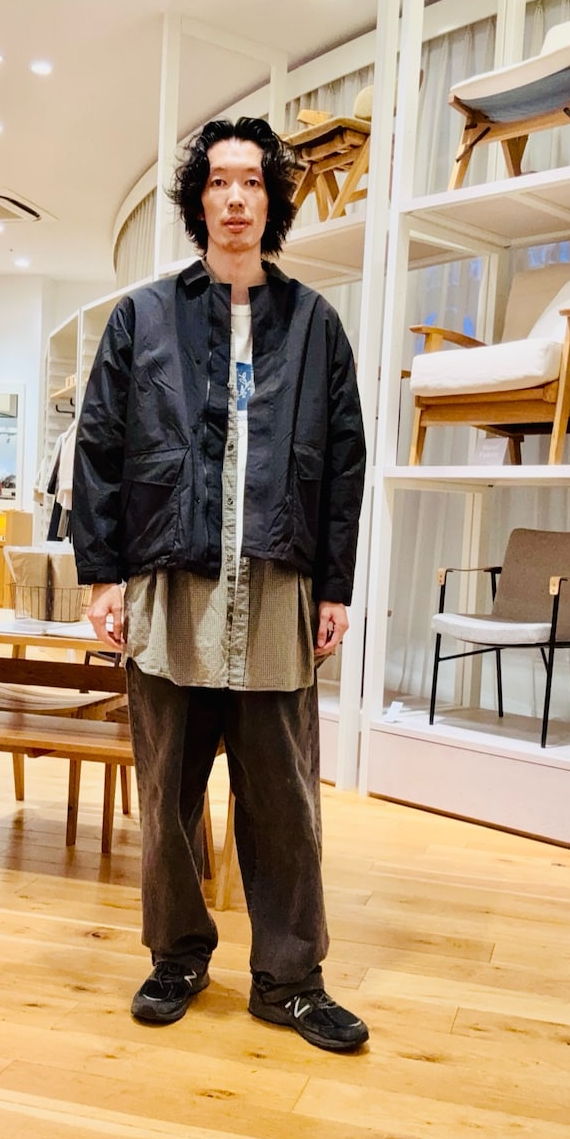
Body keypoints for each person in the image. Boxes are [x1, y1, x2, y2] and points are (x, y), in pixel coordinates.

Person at [72, 116, 368, 1052]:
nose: (236, 197)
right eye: (218, 181)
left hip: (277, 586)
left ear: (272, 202)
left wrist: (334, 586)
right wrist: (101, 573)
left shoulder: (315, 324)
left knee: (284, 801)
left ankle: (290, 979)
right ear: (198, 200)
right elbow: (99, 448)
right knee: (166, 794)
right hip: (171, 586)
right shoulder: (143, 317)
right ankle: (176, 956)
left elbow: (344, 462)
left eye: (252, 182)